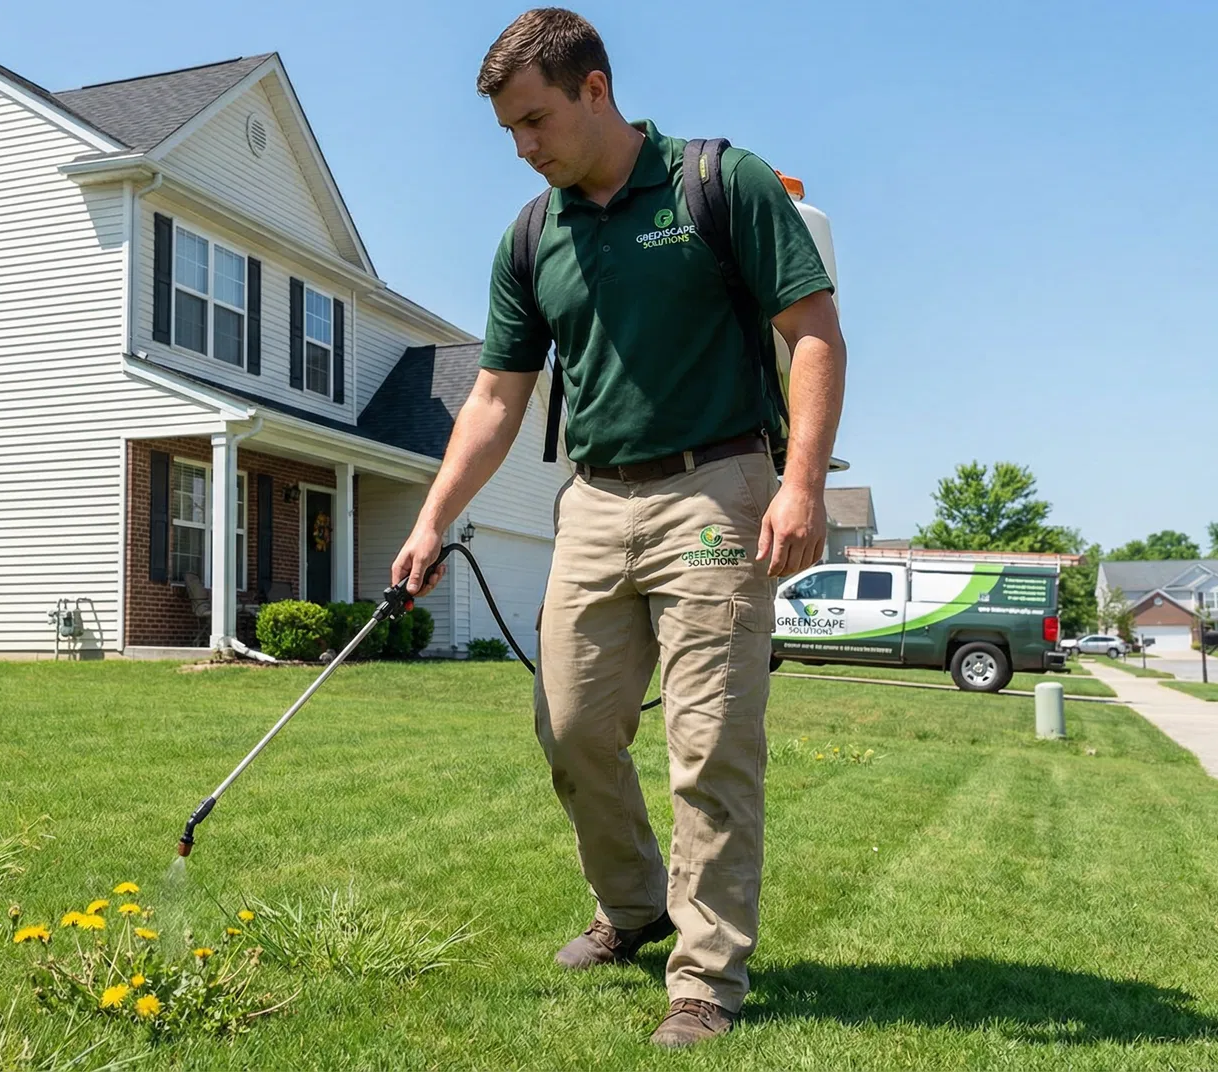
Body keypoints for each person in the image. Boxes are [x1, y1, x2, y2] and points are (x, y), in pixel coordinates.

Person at [390, 7, 847, 1050]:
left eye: (536, 121)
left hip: (718, 487)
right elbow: (498, 398)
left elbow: (814, 334)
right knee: (572, 726)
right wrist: (430, 521)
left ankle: (706, 976)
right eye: (510, 130)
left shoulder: (717, 184)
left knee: (709, 742)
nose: (524, 146)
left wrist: (802, 483)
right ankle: (634, 904)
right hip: (593, 500)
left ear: (596, 91)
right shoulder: (533, 235)